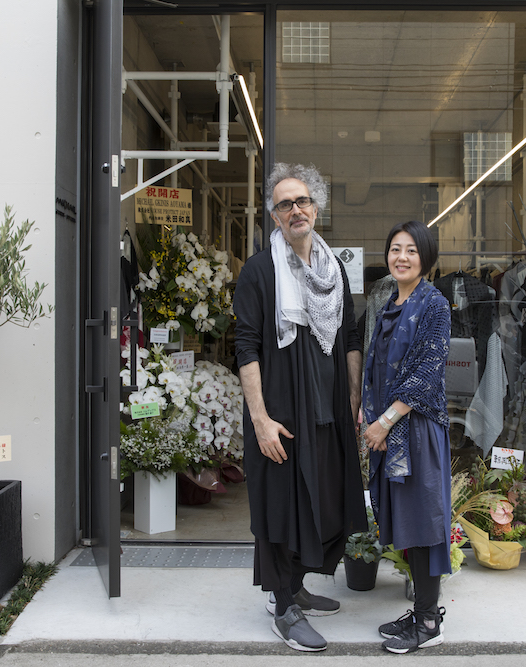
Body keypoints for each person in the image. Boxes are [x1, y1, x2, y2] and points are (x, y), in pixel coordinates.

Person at [234, 163, 366, 652]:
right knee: (281, 507)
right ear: (274, 215)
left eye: (303, 200)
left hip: (328, 410)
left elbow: (349, 337)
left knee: (325, 503)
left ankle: (297, 585)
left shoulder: (334, 270)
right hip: (282, 415)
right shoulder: (259, 271)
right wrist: (260, 420)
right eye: (285, 203)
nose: (296, 210)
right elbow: (246, 347)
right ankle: (284, 606)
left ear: (317, 207)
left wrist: (353, 399)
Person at [362, 220, 452, 654]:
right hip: (391, 427)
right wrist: (370, 415)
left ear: (426, 257)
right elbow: (375, 368)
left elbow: (425, 375)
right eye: (395, 249)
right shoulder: (388, 306)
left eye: (411, 250)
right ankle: (420, 612)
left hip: (417, 429)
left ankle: (429, 622)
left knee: (423, 524)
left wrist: (384, 421)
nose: (401, 257)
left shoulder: (435, 305)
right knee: (408, 524)